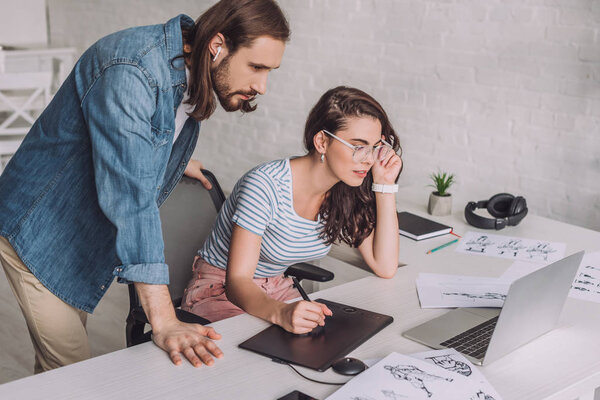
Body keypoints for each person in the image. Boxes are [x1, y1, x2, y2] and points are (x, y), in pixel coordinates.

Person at [0, 0, 289, 373]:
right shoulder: (132, 69)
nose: (262, 86)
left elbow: (140, 137)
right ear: (217, 45)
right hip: (36, 227)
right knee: (70, 369)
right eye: (256, 67)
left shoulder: (187, 69)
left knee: (55, 371)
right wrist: (164, 318)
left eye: (270, 71)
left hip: (74, 229)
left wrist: (173, 159)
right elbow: (131, 198)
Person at [181, 86, 403, 334]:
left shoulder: (345, 189)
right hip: (220, 290)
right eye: (358, 146)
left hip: (276, 287)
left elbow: (385, 266)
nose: (369, 159)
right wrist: (281, 312)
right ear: (322, 141)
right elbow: (237, 282)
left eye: (375, 147)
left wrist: (384, 185)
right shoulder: (265, 185)